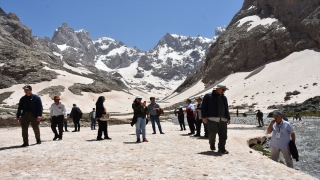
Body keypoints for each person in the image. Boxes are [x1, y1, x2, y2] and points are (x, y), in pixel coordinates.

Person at [202, 84, 231, 154]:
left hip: (223, 119)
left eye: (224, 90)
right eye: (222, 89)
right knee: (212, 133)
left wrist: (228, 117)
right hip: (212, 119)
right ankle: (212, 144)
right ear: (217, 89)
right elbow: (203, 107)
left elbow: (226, 108)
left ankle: (222, 148)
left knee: (223, 135)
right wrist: (204, 117)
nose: (224, 91)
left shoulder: (224, 98)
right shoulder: (208, 96)